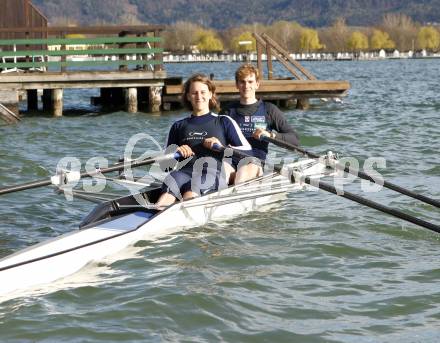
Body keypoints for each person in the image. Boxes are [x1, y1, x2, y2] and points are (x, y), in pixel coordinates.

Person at [156, 73, 251, 207]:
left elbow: (248, 153)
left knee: (190, 191)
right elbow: (165, 166)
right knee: (169, 186)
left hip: (212, 173)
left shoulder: (224, 121)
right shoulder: (178, 126)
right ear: (188, 96)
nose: (199, 96)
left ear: (211, 94)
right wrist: (175, 151)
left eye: (203, 92)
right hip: (183, 172)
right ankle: (156, 214)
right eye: (194, 93)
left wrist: (222, 147)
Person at [220, 64, 300, 183]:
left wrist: (271, 135)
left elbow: (295, 140)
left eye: (250, 82)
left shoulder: (269, 110)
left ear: (257, 84)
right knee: (221, 174)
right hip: (231, 160)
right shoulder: (227, 111)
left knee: (241, 175)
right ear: (237, 85)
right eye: (242, 82)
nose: (246, 86)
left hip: (254, 162)